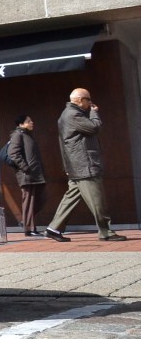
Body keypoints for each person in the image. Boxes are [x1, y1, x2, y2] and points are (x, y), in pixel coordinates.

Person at [45, 88, 127, 242]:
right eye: (88, 99)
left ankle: (53, 228)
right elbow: (94, 128)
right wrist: (94, 113)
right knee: (97, 199)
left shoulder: (67, 114)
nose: (90, 103)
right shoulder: (73, 115)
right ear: (80, 100)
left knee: (71, 197)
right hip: (84, 164)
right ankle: (105, 232)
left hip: (77, 165)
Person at [8, 114, 45, 236]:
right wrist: (25, 168)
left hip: (35, 174)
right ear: (21, 124)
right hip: (27, 175)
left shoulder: (28, 135)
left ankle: (27, 221)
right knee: (29, 201)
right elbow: (13, 153)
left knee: (40, 200)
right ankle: (29, 229)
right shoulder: (18, 135)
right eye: (28, 121)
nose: (32, 122)